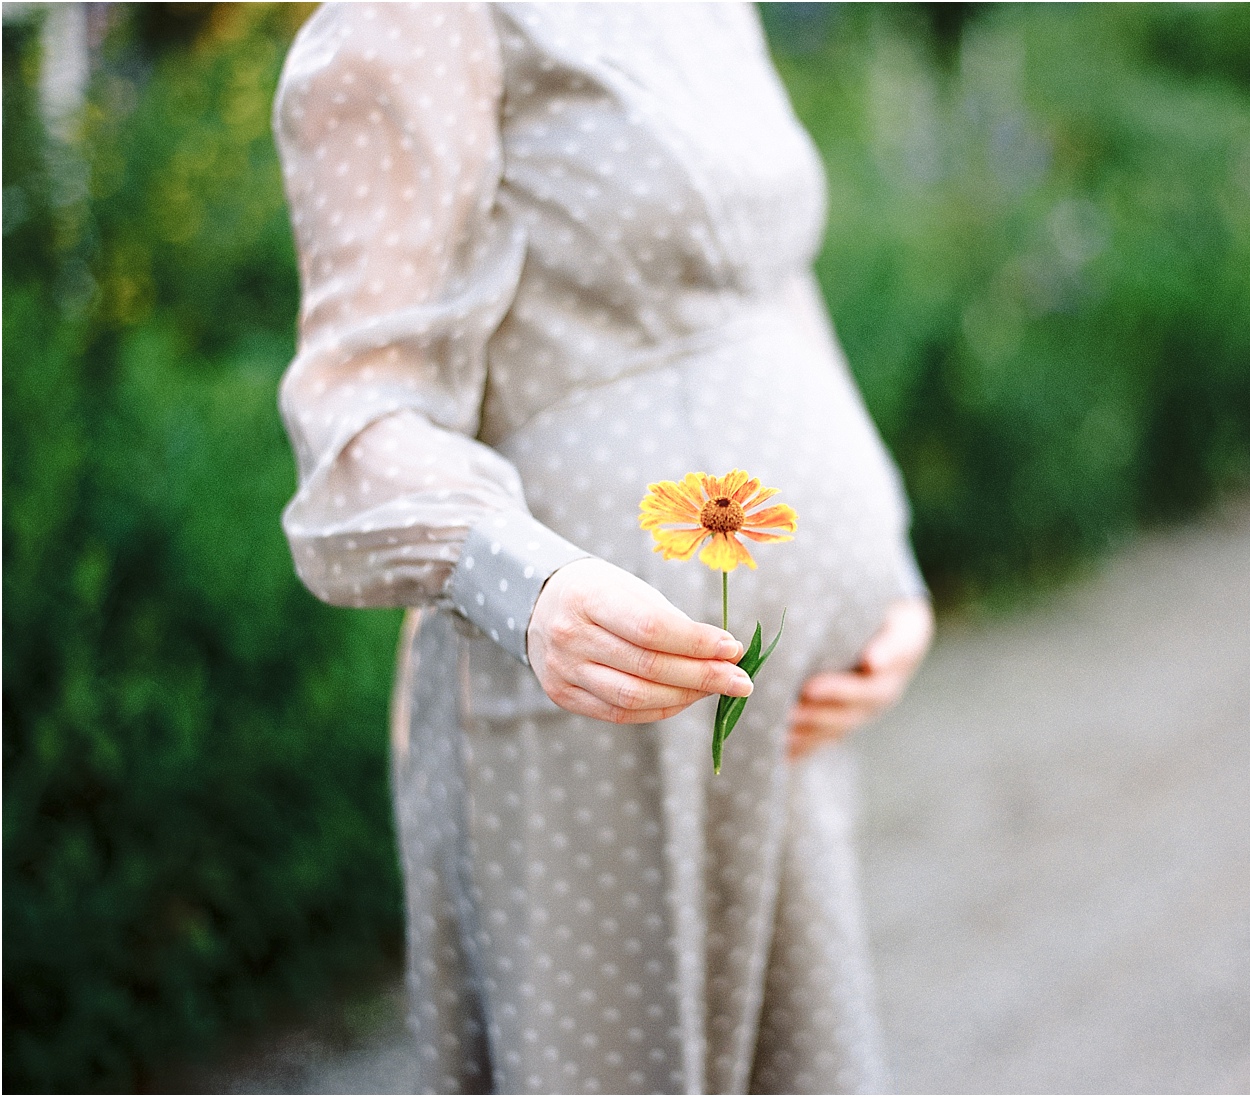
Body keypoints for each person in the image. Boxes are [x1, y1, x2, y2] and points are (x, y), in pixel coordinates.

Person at [273, 3, 933, 1093]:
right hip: (593, 709)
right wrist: (526, 583)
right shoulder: (418, 18)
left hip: (787, 703)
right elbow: (355, 417)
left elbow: (775, 289)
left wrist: (888, 563)